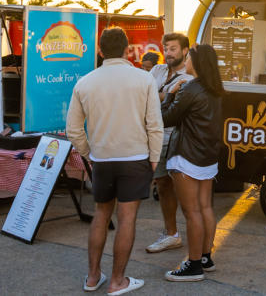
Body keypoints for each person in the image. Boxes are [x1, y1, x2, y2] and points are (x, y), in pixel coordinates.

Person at [66, 27, 163, 296]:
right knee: (127, 219)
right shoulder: (144, 79)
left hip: (102, 159)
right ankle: (117, 281)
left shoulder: (84, 83)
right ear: (127, 50)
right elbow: (155, 125)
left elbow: (73, 129)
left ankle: (92, 277)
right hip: (136, 158)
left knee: (101, 215)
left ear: (100, 51)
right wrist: (154, 158)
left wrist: (89, 154)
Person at [161, 44, 224, 282]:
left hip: (187, 156)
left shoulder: (190, 88)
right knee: (205, 207)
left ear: (196, 63)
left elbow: (166, 118)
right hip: (207, 156)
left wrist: (170, 94)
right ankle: (206, 258)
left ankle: (194, 265)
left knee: (192, 212)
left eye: (188, 58)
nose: (185, 61)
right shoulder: (215, 89)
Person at [146, 33, 194, 254]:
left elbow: (176, 102)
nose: (168, 53)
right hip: (155, 137)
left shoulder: (190, 76)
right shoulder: (157, 70)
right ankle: (172, 234)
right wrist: (166, 94)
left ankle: (198, 240)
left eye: (173, 49)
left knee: (185, 190)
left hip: (176, 138)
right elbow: (144, 94)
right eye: (166, 48)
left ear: (185, 51)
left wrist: (159, 95)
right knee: (163, 186)